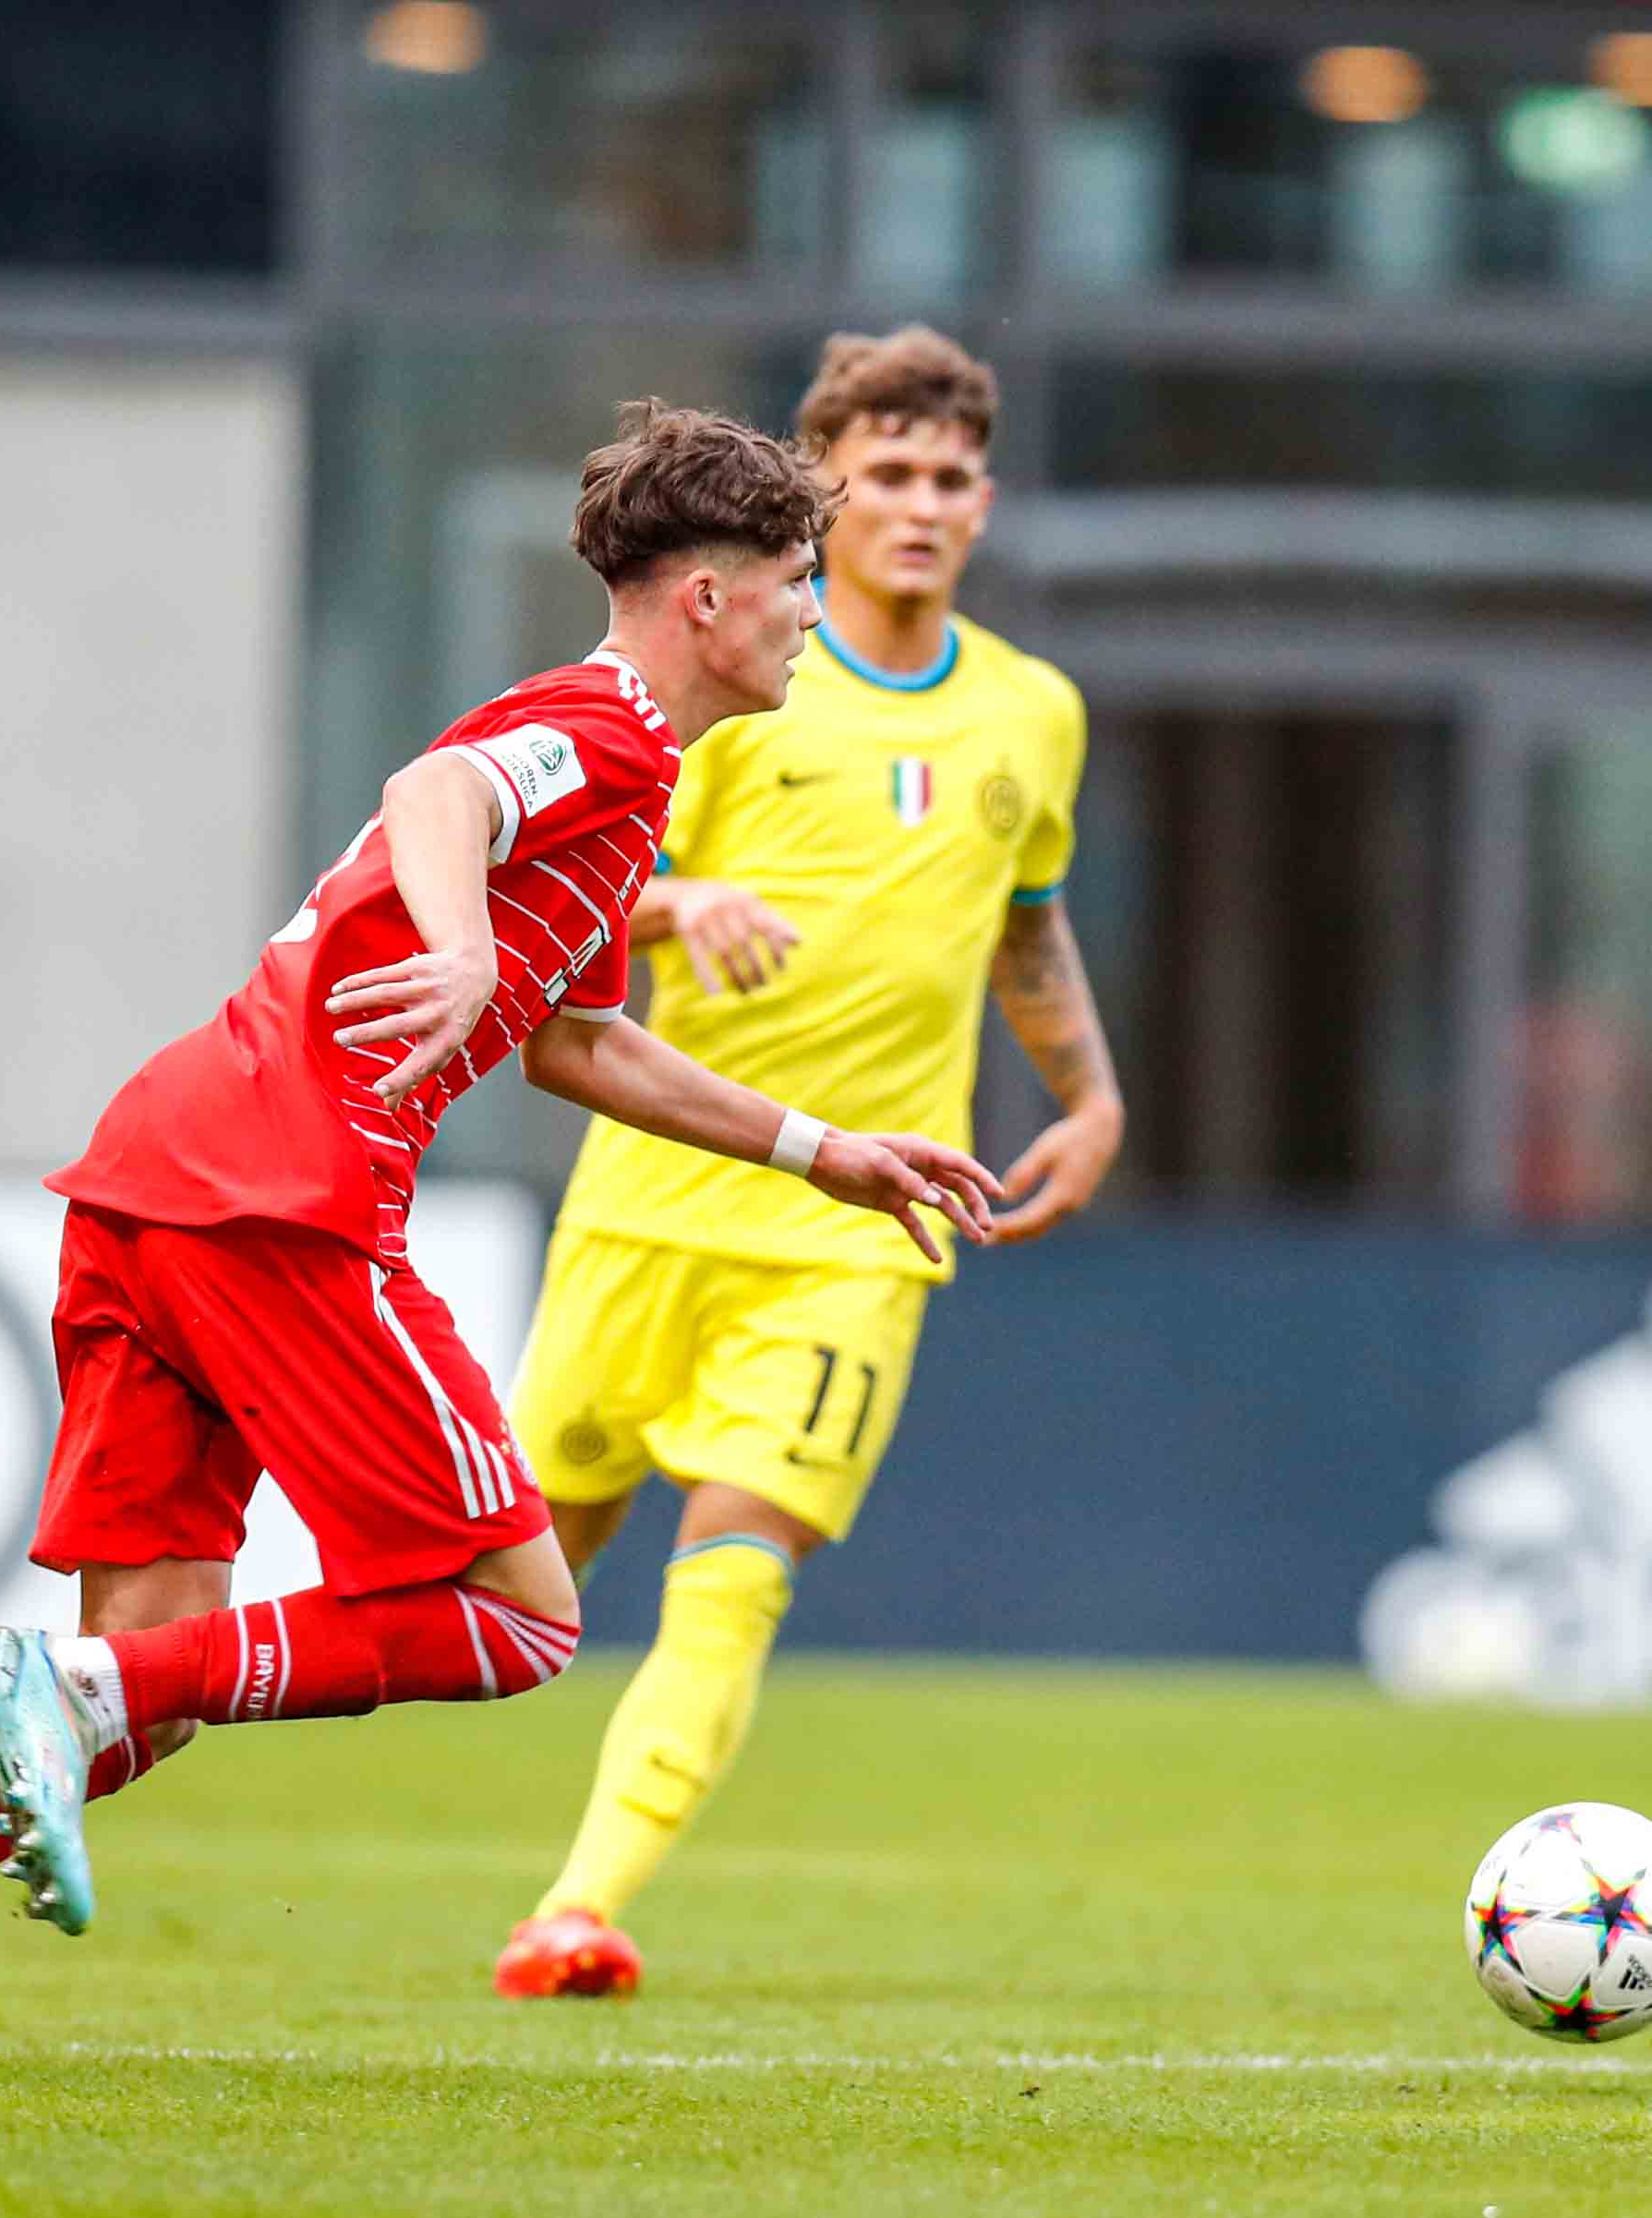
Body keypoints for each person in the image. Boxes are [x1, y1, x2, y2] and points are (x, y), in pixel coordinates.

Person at [0, 401, 1006, 2078]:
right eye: (795, 580)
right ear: (704, 598)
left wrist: (822, 1150)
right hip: (285, 1195)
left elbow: (579, 1041)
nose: (814, 612)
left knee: (150, 1669)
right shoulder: (599, 723)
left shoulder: (635, 783)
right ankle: (62, 1694)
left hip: (158, 1175)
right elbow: (439, 787)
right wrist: (456, 941)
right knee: (519, 1616)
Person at [492, 327, 1123, 1999]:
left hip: (861, 1225)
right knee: (501, 1599)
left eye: (951, 477)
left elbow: (1030, 936)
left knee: (735, 1578)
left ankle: (578, 1906)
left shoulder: (1030, 712)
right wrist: (677, 899)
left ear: (985, 498)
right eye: (888, 476)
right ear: (828, 497)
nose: (922, 506)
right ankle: (151, 1710)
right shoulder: (735, 677)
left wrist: (1093, 1096)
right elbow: (546, 882)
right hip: (650, 1199)